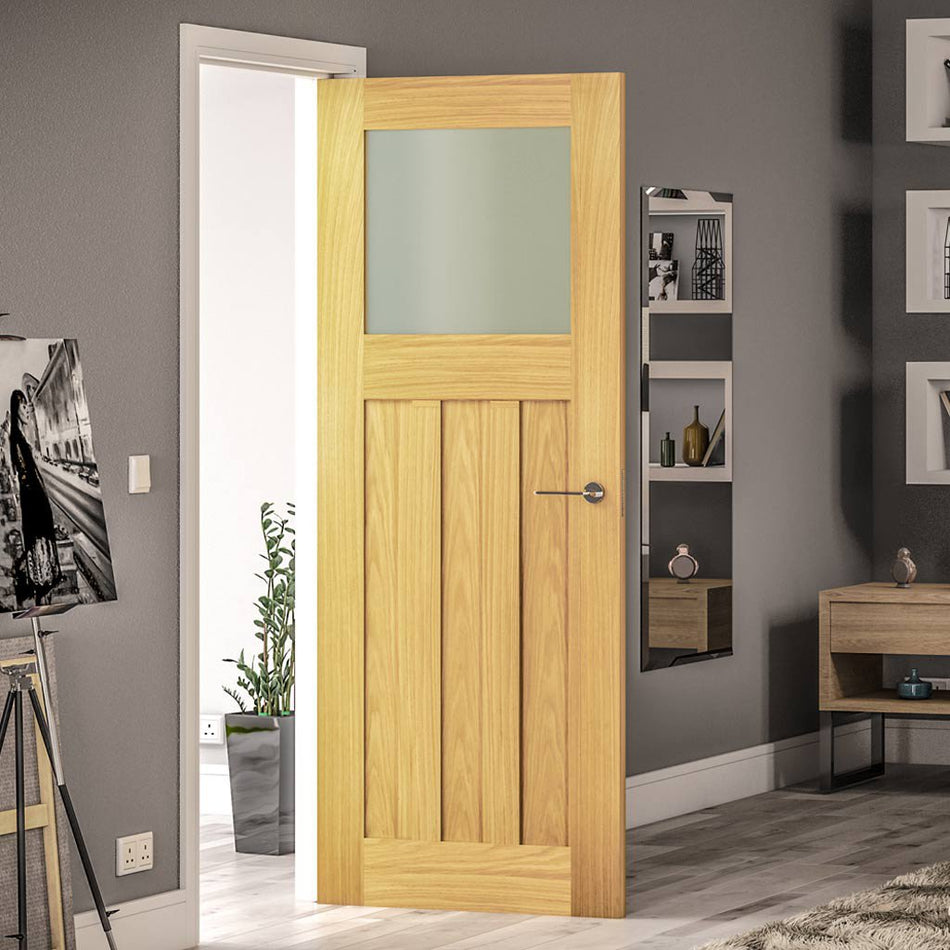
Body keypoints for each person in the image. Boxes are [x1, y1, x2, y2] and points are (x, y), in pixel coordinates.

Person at [9, 389, 60, 604]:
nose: (27, 410)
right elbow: (24, 475)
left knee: (41, 548)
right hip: (34, 505)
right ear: (16, 410)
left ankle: (43, 588)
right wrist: (39, 503)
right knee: (40, 553)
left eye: (27, 406)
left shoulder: (22, 437)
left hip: (36, 503)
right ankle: (42, 591)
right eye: (23, 407)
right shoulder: (16, 438)